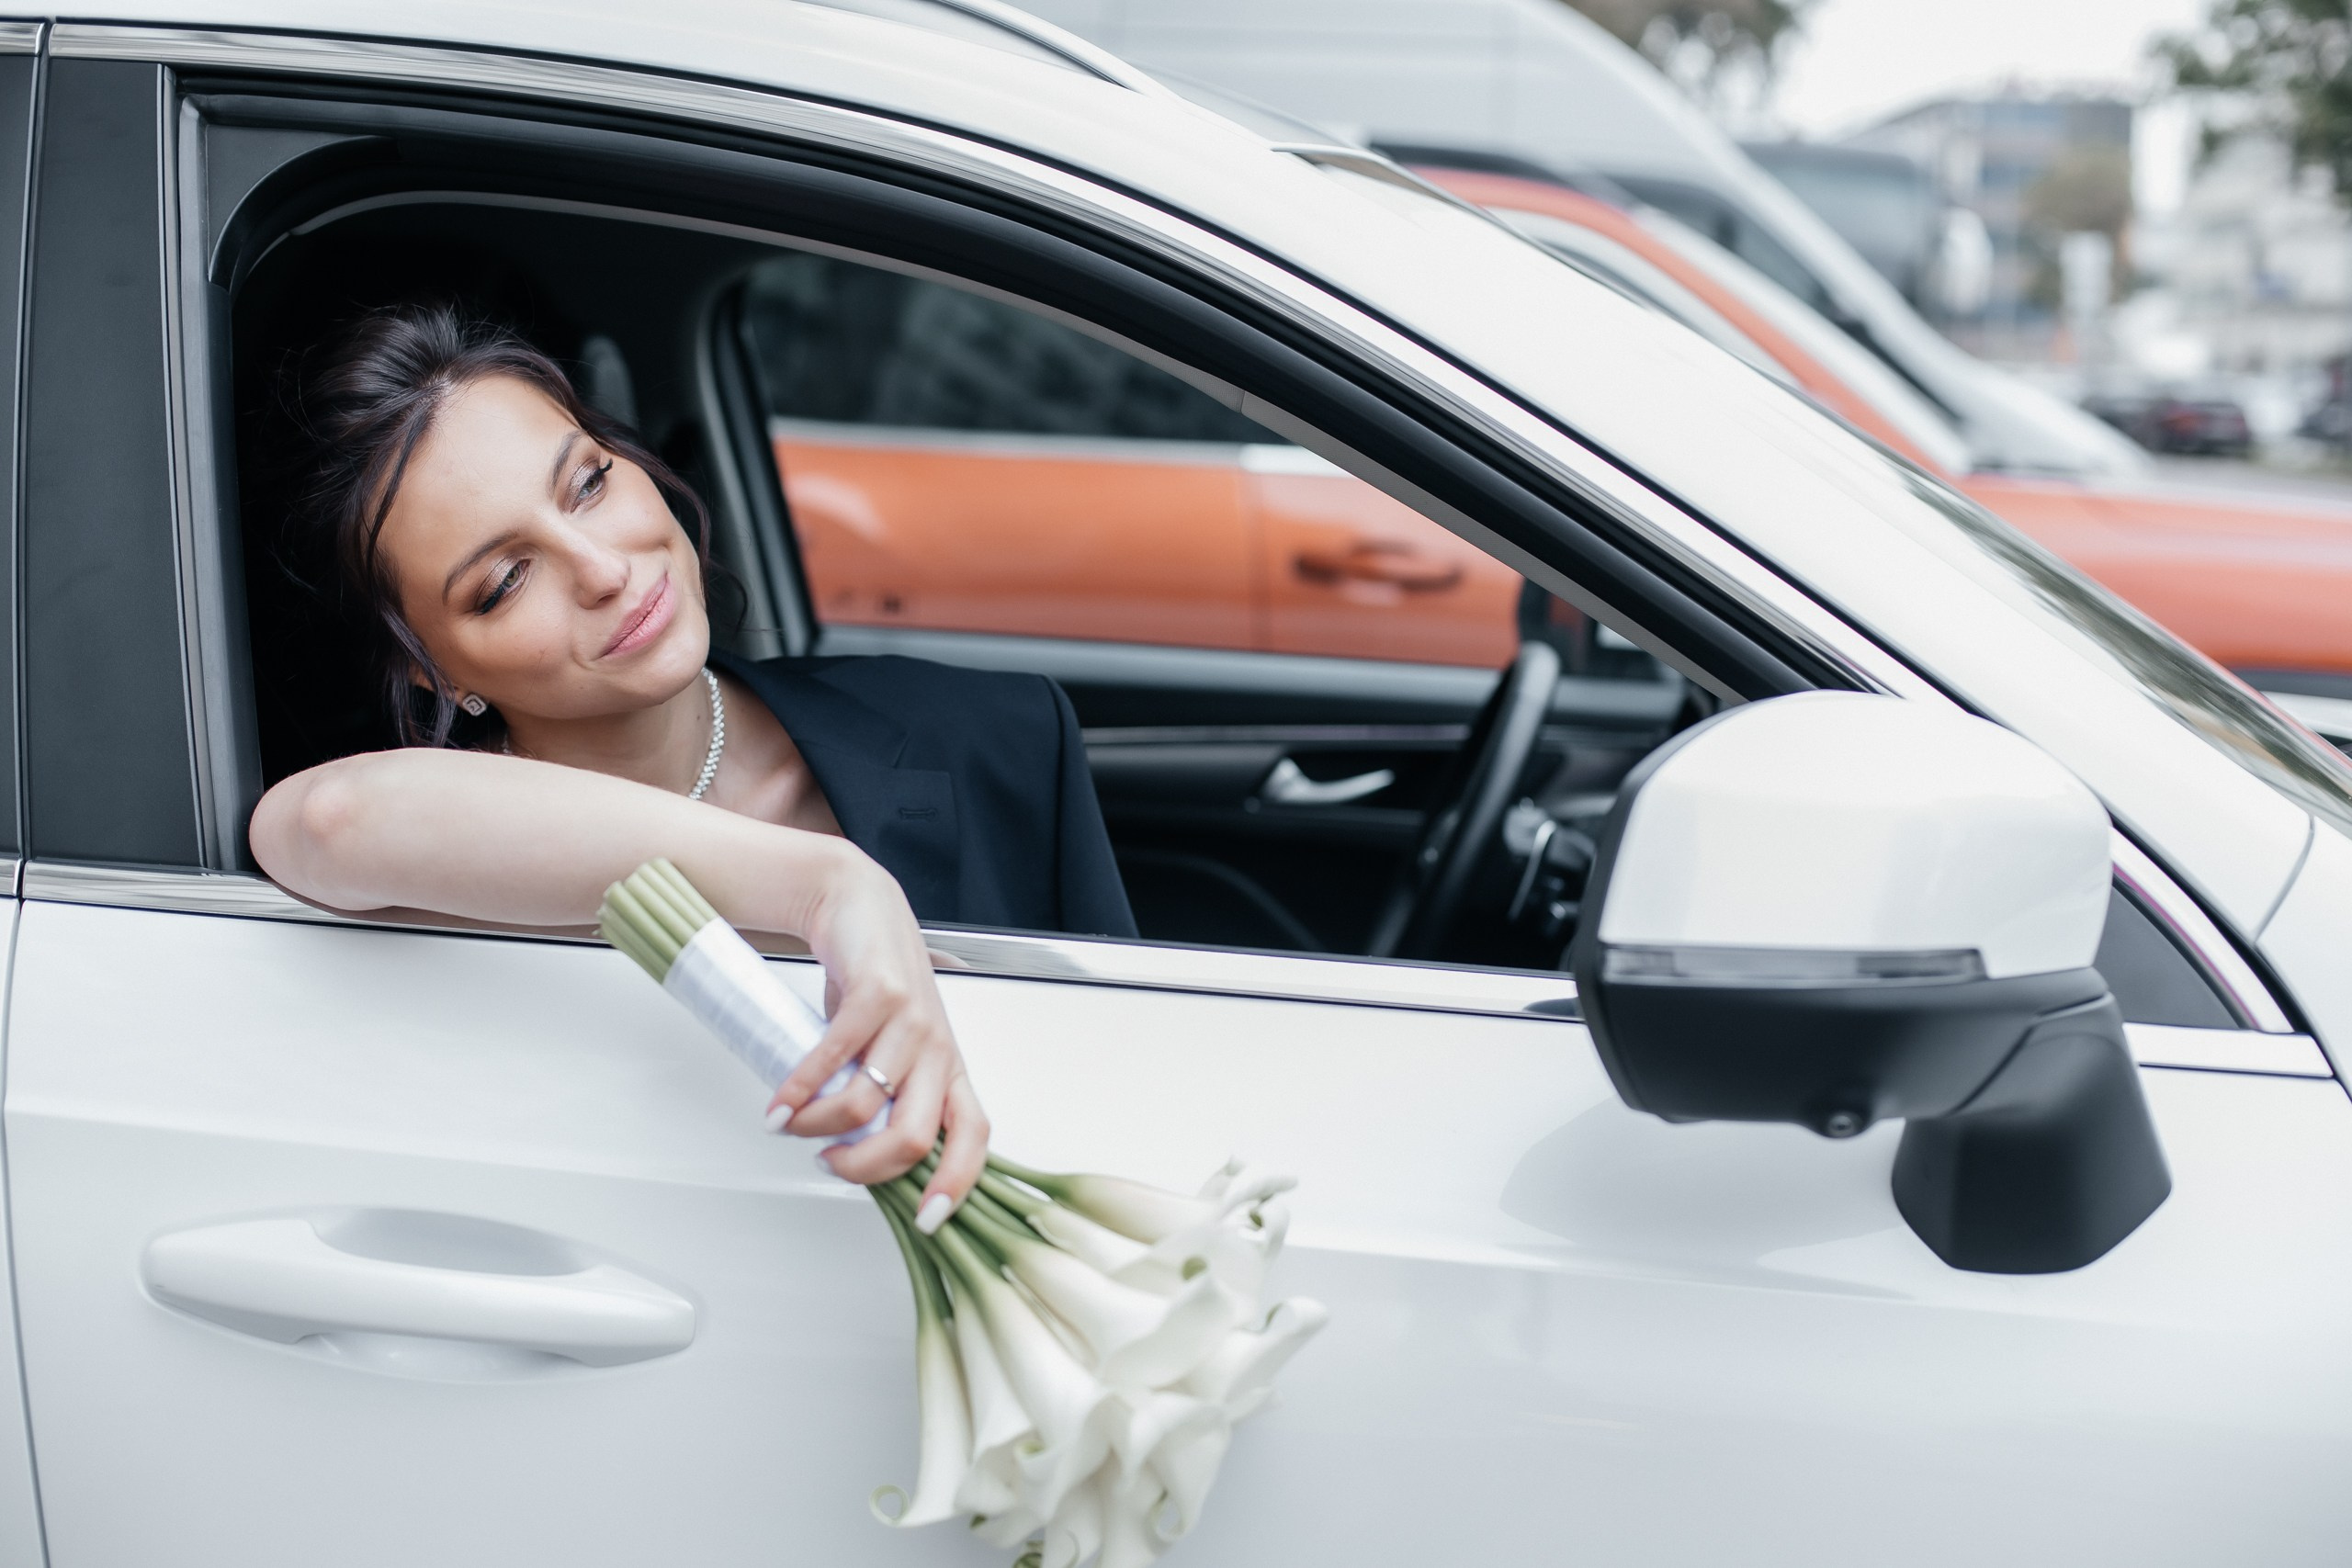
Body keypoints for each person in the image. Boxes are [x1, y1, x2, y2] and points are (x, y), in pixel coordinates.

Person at [249, 303, 1136, 1229]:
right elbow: (327, 822)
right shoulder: (422, 870)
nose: (601, 569)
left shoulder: (997, 737)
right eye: (504, 580)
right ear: (428, 667)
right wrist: (832, 888)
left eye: (588, 484)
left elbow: (1142, 1102)